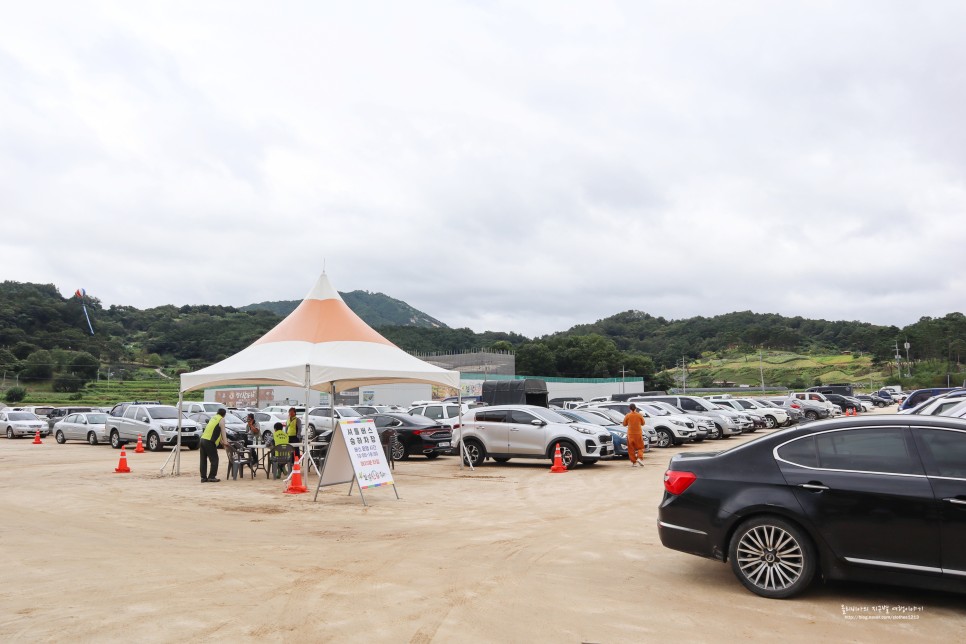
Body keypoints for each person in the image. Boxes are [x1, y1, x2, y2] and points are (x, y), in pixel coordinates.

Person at [200, 408, 227, 482]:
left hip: (202, 440)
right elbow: (223, 431)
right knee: (214, 459)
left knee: (203, 460)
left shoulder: (213, 418)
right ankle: (212, 476)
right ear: (224, 414)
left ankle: (203, 477)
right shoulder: (221, 419)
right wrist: (226, 442)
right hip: (209, 441)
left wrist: (221, 441)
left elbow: (216, 431)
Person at [622, 403, 646, 467]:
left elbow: (624, 424)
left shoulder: (628, 415)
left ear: (629, 408)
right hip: (638, 433)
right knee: (640, 447)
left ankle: (634, 462)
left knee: (631, 448)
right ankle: (639, 458)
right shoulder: (639, 415)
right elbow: (643, 423)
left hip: (630, 434)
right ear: (636, 408)